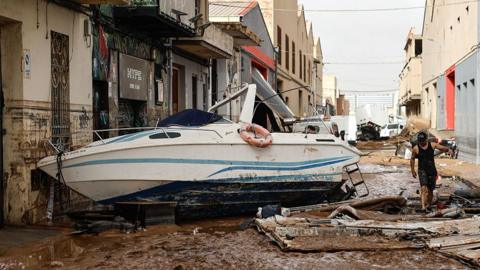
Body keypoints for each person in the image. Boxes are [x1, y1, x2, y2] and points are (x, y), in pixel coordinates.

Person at [410, 131, 453, 212]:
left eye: (423, 141)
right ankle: (423, 207)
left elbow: (442, 148)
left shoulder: (432, 145)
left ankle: (428, 205)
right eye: (420, 141)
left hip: (432, 170)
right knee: (423, 188)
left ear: (426, 139)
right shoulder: (415, 148)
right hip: (422, 170)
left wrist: (449, 150)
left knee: (430, 190)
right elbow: (412, 159)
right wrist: (412, 170)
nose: (422, 143)